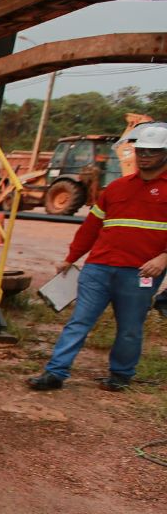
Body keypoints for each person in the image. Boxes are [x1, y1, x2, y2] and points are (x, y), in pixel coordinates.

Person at [28, 125, 167, 393]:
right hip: (98, 267)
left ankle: (121, 375)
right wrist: (71, 258)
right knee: (79, 321)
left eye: (153, 151)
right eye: (141, 151)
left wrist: (164, 258)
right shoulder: (116, 188)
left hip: (140, 273)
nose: (145, 155)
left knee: (130, 328)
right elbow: (91, 228)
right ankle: (55, 373)